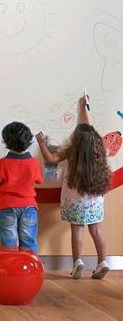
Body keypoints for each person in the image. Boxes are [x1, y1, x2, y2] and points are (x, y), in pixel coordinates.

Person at [37, 95, 111, 279]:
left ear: (77, 140)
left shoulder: (72, 151)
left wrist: (41, 143)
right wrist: (83, 107)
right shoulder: (99, 150)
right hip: (94, 199)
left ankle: (77, 262)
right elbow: (87, 129)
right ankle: (103, 262)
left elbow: (51, 159)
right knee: (96, 230)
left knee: (77, 230)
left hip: (74, 200)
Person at [0, 122, 42, 253]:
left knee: (8, 243)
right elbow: (39, 180)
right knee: (29, 242)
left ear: (6, 141)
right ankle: (30, 265)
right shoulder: (34, 163)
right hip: (29, 206)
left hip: (6, 206)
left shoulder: (1, 163)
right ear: (28, 140)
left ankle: (10, 265)